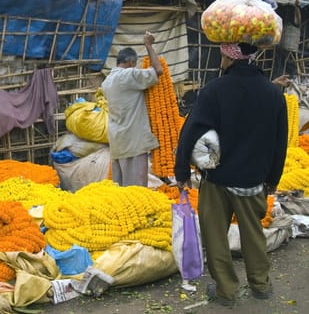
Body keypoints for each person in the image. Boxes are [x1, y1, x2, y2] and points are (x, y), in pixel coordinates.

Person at [174, 42, 288, 307]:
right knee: (253, 234)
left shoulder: (215, 90)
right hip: (253, 181)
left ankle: (226, 290)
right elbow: (279, 142)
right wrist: (273, 179)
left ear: (227, 56)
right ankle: (260, 284)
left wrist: (182, 170)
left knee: (215, 237)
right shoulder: (273, 94)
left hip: (217, 180)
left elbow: (190, 132)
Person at [101, 31, 163, 187]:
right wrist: (148, 45)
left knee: (120, 188)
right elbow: (158, 71)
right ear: (129, 62)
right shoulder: (128, 75)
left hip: (118, 141)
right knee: (136, 189)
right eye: (134, 64)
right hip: (133, 142)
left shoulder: (107, 82)